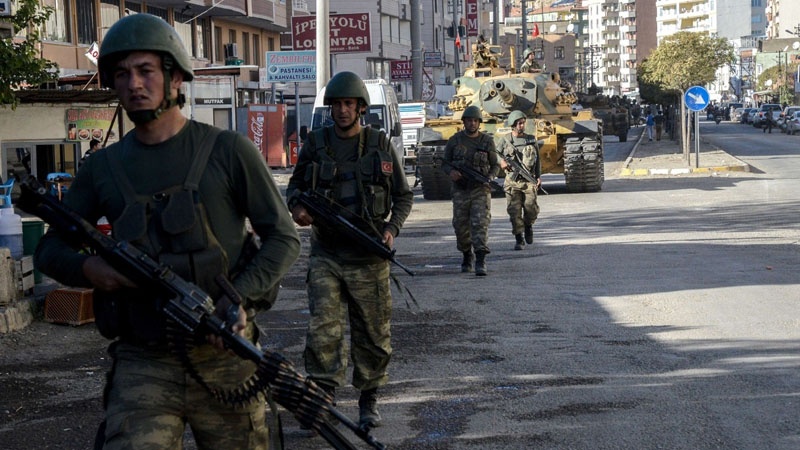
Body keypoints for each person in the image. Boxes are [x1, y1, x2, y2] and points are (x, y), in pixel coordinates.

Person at [33, 14, 301, 450]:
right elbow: (49, 249)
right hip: (144, 359)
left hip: (225, 355)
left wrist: (237, 300)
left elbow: (283, 238)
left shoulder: (227, 150)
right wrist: (89, 268)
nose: (133, 84)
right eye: (122, 74)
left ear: (176, 78)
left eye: (145, 71)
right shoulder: (102, 167)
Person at [285, 71, 413, 430]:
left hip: (369, 258)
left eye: (349, 104)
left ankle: (368, 398)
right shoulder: (316, 144)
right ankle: (322, 398)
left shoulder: (379, 144)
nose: (342, 110)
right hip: (326, 253)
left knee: (372, 333)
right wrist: (298, 210)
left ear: (360, 108)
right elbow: (294, 187)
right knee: (323, 330)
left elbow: (403, 197)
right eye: (337, 104)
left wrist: (391, 229)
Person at [443, 105, 500, 276]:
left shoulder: (486, 141)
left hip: (480, 189)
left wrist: (490, 177)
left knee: (480, 224)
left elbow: (495, 164)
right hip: (460, 189)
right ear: (464, 122)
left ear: (479, 123)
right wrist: (451, 172)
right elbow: (445, 162)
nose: (472, 124)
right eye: (469, 120)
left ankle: (481, 259)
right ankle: (467, 254)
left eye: (475, 121)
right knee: (460, 226)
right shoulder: (455, 140)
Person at [497, 110, 540, 251]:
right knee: (514, 212)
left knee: (531, 209)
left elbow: (537, 160)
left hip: (529, 181)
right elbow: (494, 154)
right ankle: (519, 238)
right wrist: (501, 162)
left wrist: (538, 177)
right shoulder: (505, 140)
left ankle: (528, 226)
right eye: (519, 123)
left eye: (523, 123)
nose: (522, 125)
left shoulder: (531, 139)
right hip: (512, 182)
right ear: (513, 125)